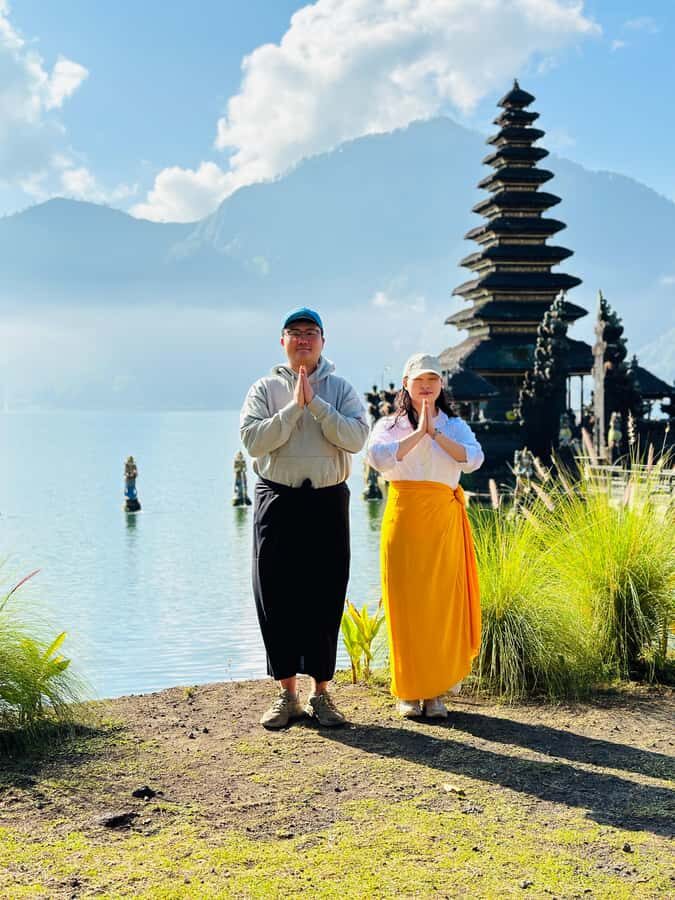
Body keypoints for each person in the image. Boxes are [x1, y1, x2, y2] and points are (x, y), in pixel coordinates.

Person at [240, 307, 369, 729]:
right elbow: (254, 442)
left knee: (325, 593)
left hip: (328, 501)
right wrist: (294, 408)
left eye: (310, 333)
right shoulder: (264, 388)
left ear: (323, 342)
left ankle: (322, 694)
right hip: (277, 498)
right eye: (294, 333)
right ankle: (286, 695)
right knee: (275, 595)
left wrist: (316, 406)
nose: (302, 340)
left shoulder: (342, 388)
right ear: (282, 342)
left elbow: (355, 438)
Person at [366, 353, 483, 719]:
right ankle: (408, 690)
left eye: (432, 379)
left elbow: (473, 459)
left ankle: (434, 693)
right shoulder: (389, 425)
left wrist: (435, 435)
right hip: (403, 520)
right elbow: (376, 457)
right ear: (406, 384)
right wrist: (418, 436)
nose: (426, 386)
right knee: (406, 607)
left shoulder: (455, 425)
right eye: (419, 380)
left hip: (442, 523)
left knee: (439, 606)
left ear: (441, 384)